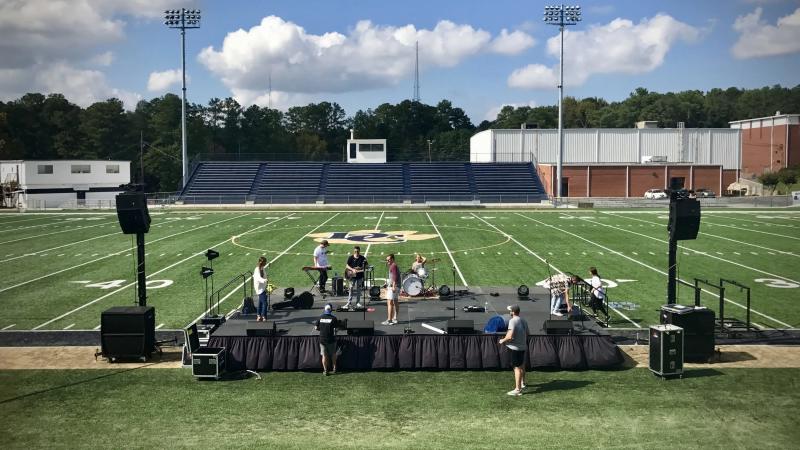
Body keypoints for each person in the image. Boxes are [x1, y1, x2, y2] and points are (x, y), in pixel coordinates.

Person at [498, 304, 529, 396]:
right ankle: (522, 383)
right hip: (523, 347)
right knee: (522, 365)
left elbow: (510, 336)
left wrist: (502, 340)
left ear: (512, 312)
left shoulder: (512, 321)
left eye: (510, 310)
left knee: (517, 368)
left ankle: (518, 389)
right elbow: (528, 333)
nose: (509, 312)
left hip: (515, 349)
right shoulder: (524, 320)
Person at [314, 304, 340, 376]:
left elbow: (316, 328)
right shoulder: (333, 318)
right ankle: (334, 368)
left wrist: (322, 329)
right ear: (330, 310)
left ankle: (325, 370)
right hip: (331, 339)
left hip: (322, 340)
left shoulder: (320, 318)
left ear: (325, 310)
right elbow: (336, 329)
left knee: (324, 355)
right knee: (333, 354)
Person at [381, 253, 400, 325]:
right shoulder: (393, 265)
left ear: (392, 259)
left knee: (389, 302)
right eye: (387, 260)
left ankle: (389, 320)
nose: (388, 261)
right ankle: (395, 318)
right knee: (395, 301)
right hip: (396, 285)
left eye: (389, 260)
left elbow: (395, 277)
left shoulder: (393, 266)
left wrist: (393, 286)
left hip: (394, 286)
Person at [253, 256, 268, 321]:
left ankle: (258, 316)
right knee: (265, 303)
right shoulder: (257, 269)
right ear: (261, 262)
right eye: (265, 262)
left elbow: (264, 276)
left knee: (260, 302)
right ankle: (263, 316)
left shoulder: (262, 268)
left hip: (263, 287)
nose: (265, 263)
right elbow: (258, 278)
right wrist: (265, 280)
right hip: (259, 289)